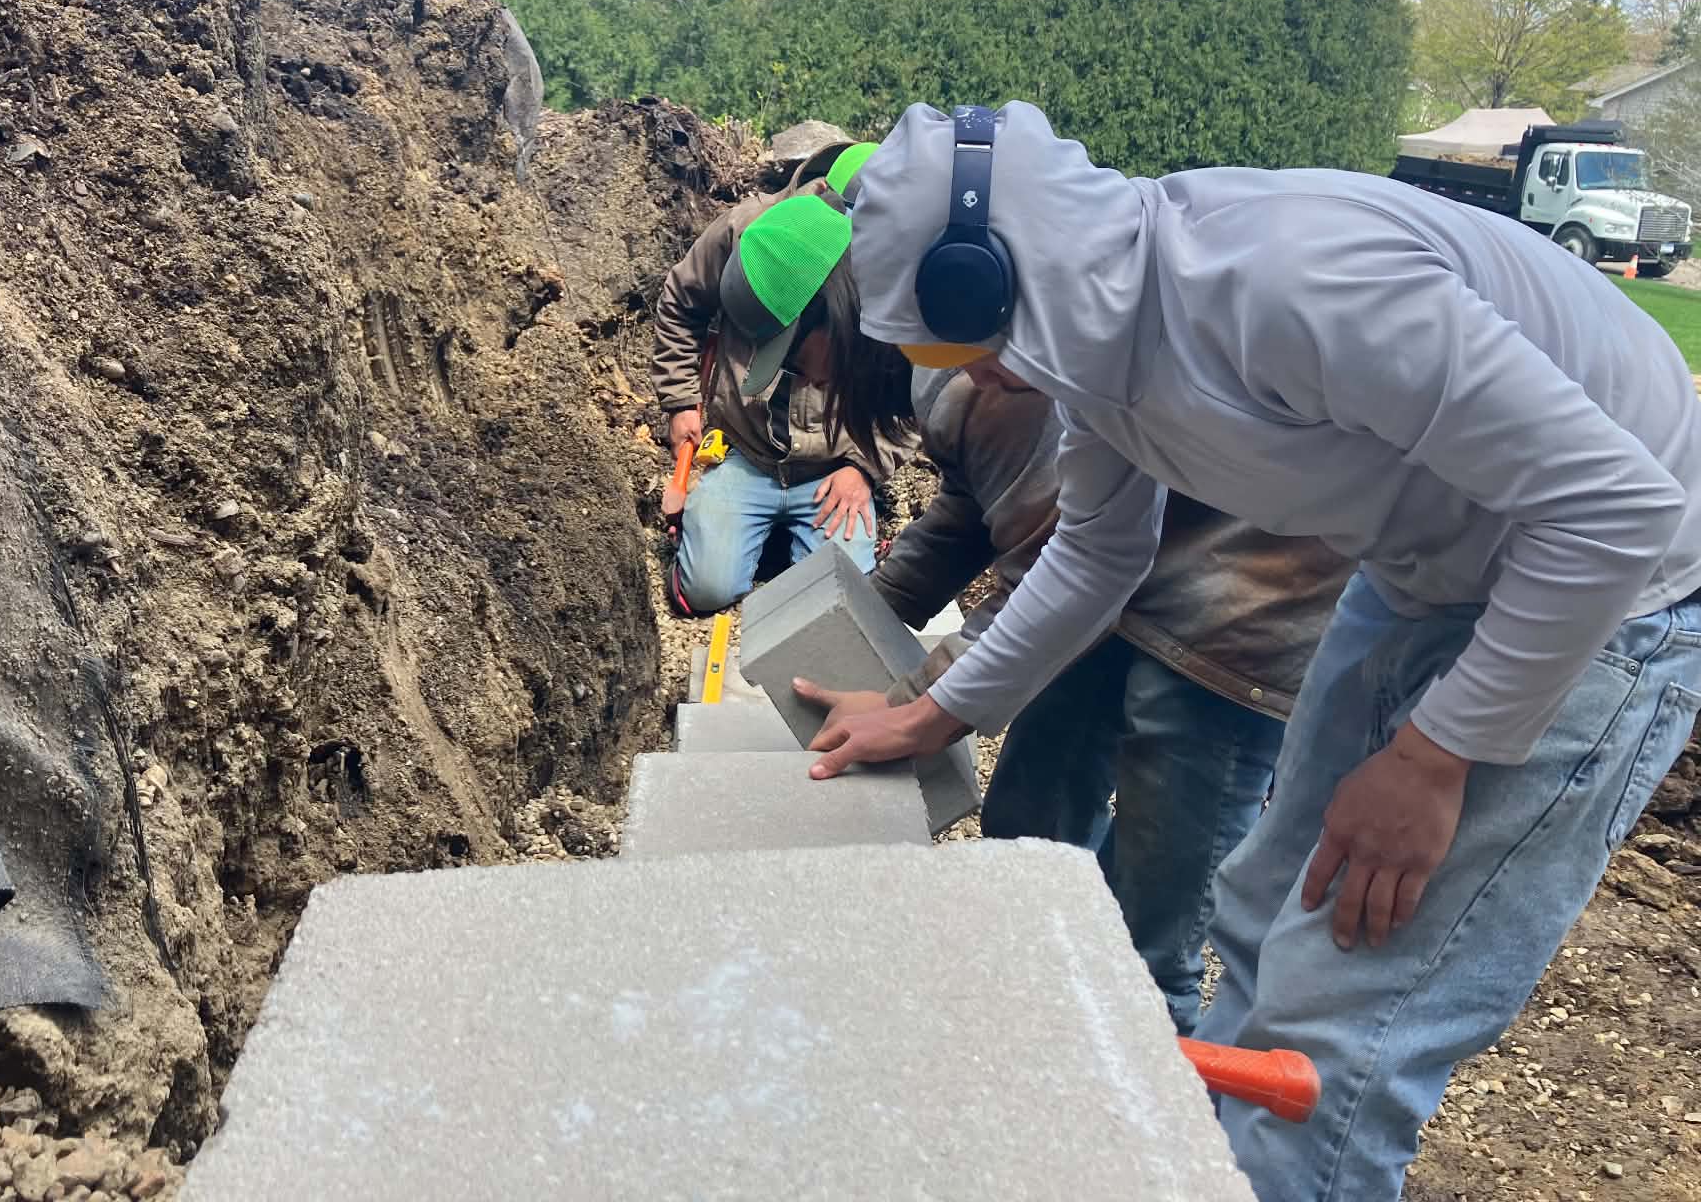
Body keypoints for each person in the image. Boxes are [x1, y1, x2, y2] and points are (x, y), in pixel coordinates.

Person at [812, 102, 1701, 1201]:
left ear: (988, 281)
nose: (967, 377)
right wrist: (930, 713)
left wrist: (1434, 757)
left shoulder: (1283, 284)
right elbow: (1097, 552)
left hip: (1609, 593)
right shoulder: (1101, 353)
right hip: (1424, 569)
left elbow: (1612, 510)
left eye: (947, 342)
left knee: (1339, 1040)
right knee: (1262, 903)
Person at [822, 364, 1350, 1034]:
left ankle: (1135, 1083)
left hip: (1239, 625)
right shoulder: (967, 376)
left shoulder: (996, 383)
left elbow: (1045, 571)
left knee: (1149, 926)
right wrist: (869, 610)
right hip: (1127, 583)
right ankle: (1037, 1012)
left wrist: (914, 707)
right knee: (1028, 820)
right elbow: (993, 515)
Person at [651, 146, 916, 614]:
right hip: (747, 452)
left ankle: (780, 544)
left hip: (833, 471)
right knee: (706, 592)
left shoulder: (892, 276)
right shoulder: (749, 234)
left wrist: (864, 469)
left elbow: (916, 394)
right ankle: (742, 539)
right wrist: (680, 401)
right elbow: (681, 302)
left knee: (838, 604)